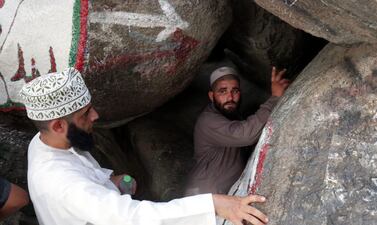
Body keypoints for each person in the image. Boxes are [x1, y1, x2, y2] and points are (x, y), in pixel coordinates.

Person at [20, 67, 269, 225]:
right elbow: (130, 218)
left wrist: (111, 181)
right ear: (57, 126)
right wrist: (213, 204)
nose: (95, 116)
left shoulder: (44, 143)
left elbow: (84, 173)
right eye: (85, 114)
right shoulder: (64, 184)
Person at [185, 66, 289, 195]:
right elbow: (246, 135)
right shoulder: (208, 120)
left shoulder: (233, 115)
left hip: (225, 196)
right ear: (212, 96)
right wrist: (275, 98)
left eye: (235, 91)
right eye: (222, 91)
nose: (230, 97)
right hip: (205, 199)